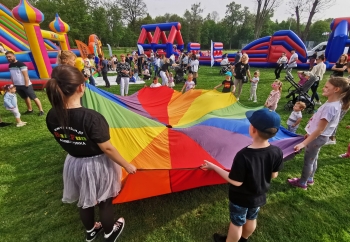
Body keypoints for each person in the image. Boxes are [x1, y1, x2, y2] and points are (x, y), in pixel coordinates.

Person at [45, 65, 137, 242]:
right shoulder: (92, 117)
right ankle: (109, 233)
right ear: (81, 87)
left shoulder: (51, 115)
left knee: (85, 200)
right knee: (104, 200)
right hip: (99, 165)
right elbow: (107, 148)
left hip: (74, 162)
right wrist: (126, 164)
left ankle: (91, 231)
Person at [201, 108, 283, 242]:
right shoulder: (277, 151)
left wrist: (214, 167)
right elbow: (274, 175)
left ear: (253, 129)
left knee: (237, 222)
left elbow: (236, 182)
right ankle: (244, 239)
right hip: (258, 196)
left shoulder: (244, 155)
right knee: (251, 218)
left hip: (240, 198)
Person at [289, 77, 350, 190]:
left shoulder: (331, 107)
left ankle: (302, 182)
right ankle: (310, 178)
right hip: (319, 137)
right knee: (314, 158)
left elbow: (320, 129)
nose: (323, 88)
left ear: (336, 89)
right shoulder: (332, 102)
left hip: (318, 137)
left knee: (308, 161)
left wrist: (303, 143)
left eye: (327, 87)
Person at [5, 51, 44, 116]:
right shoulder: (10, 65)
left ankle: (41, 110)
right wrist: (13, 84)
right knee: (25, 97)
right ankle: (30, 109)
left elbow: (26, 75)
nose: (8, 58)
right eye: (7, 57)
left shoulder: (21, 64)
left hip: (25, 85)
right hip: (17, 85)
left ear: (14, 56)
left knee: (34, 97)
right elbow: (12, 75)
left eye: (10, 56)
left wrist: (26, 84)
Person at [327, 63, 350, 145]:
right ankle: (330, 137)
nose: (347, 70)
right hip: (343, 101)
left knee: (335, 120)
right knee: (334, 119)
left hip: (344, 102)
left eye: (348, 68)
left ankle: (332, 138)